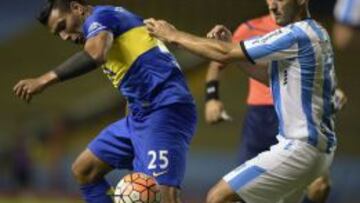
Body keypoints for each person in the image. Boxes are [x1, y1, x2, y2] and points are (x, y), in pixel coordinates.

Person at [145, 0, 338, 202]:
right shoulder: (317, 32)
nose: (272, 5)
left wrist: (173, 36)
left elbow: (224, 52)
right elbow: (270, 78)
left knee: (218, 197)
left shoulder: (297, 35)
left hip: (300, 147)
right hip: (316, 150)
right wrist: (234, 51)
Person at [13, 1, 197, 203]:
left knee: (164, 197)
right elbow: (136, 80)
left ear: (77, 8)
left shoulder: (100, 17)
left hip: (165, 111)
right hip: (139, 117)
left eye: (62, 26)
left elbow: (95, 54)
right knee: (85, 170)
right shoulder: (109, 25)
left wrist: (42, 80)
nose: (65, 36)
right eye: (58, 34)